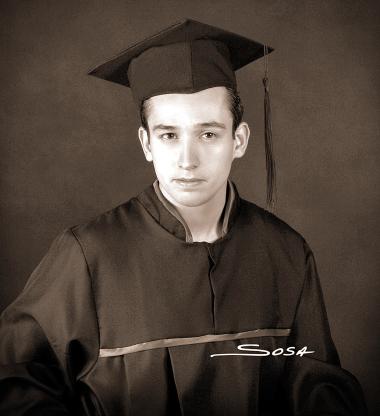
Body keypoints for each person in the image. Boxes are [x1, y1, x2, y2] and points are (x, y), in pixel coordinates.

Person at [0, 18, 368, 416]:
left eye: (208, 134)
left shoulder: (286, 253)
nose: (187, 161)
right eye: (169, 135)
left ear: (238, 140)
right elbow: (16, 382)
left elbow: (318, 388)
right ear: (146, 143)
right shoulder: (89, 256)